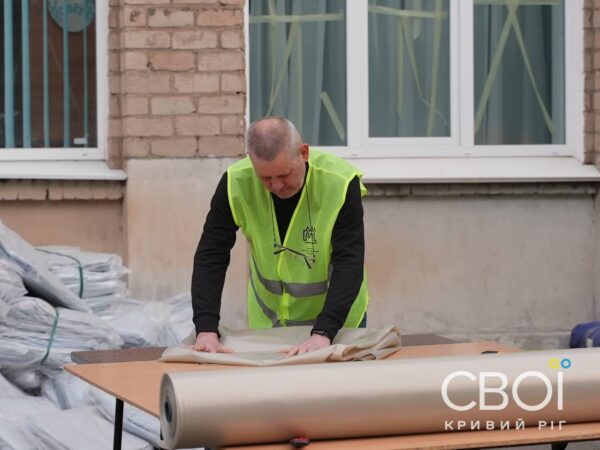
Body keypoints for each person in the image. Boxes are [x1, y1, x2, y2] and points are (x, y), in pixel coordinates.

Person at [191, 116, 369, 355]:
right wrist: (206, 330)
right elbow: (211, 255)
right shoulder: (236, 182)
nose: (276, 187)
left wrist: (324, 331)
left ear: (303, 153)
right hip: (270, 325)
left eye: (284, 174)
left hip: (337, 324)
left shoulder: (340, 182)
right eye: (265, 178)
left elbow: (349, 261)